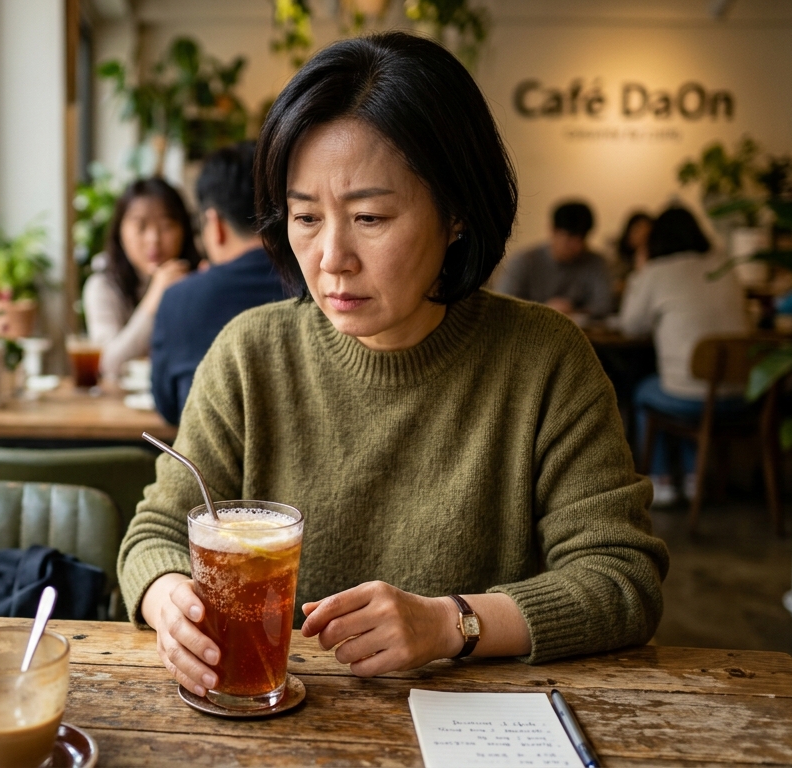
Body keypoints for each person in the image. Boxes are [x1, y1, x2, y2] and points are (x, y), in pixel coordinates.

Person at [118, 32, 668, 696]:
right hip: (281, 723)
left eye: (371, 216)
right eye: (305, 217)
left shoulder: (544, 360)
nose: (330, 258)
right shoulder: (249, 353)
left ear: (457, 212)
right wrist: (167, 597)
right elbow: (154, 533)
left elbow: (620, 576)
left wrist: (452, 624)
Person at [150, 142, 295, 425]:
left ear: (214, 223)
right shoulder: (319, 287)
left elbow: (168, 406)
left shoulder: (179, 299)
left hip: (204, 468)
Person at [617, 205, 750, 506]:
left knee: (645, 392)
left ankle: (662, 480)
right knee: (687, 388)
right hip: (742, 396)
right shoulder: (725, 265)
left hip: (691, 398)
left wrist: (640, 273)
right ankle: (693, 478)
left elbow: (630, 326)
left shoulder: (657, 272)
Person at [82, 179, 200, 380]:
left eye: (166, 225)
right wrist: (154, 297)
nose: (153, 238)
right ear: (120, 231)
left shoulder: (201, 279)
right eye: (141, 226)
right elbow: (107, 364)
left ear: (184, 230)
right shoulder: (102, 286)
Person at [495, 200, 614, 318]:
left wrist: (575, 311)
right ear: (552, 230)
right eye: (569, 238)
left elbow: (604, 305)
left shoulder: (596, 262)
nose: (576, 246)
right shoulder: (524, 261)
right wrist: (544, 310)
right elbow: (503, 304)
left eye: (581, 239)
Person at [614, 210, 654, 290]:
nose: (641, 236)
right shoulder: (617, 261)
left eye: (646, 235)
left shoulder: (655, 263)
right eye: (636, 230)